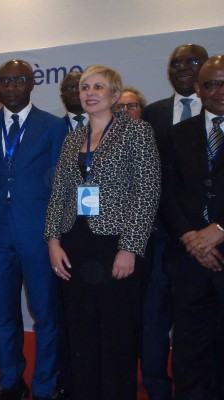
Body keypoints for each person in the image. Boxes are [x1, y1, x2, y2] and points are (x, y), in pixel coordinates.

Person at [45, 65, 160, 400]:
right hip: (75, 245)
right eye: (85, 87)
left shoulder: (136, 131)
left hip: (116, 245)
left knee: (117, 332)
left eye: (98, 87)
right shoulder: (72, 138)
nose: (89, 93)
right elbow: (59, 192)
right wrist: (53, 241)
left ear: (114, 94)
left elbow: (147, 191)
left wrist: (130, 247)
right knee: (80, 331)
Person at [0, 59, 67, 400]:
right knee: (1, 314)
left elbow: (61, 185)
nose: (11, 87)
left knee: (45, 315)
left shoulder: (53, 126)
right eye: (5, 81)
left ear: (32, 83)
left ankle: (44, 386)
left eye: (18, 81)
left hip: (38, 235)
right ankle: (10, 381)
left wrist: (56, 234)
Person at [140, 43, 209, 400]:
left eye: (192, 61)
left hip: (205, 242)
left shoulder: (218, 111)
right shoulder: (152, 114)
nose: (183, 67)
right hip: (158, 238)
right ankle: (156, 389)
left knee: (196, 325)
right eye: (176, 62)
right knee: (153, 321)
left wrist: (199, 235)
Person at [157, 54, 224, 400]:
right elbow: (166, 192)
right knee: (190, 347)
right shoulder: (175, 135)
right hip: (188, 260)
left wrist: (221, 229)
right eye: (212, 84)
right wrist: (190, 238)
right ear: (198, 88)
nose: (220, 91)